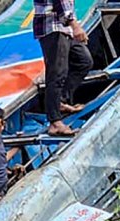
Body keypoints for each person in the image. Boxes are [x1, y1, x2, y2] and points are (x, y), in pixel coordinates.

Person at [33, 0, 93, 136]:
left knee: (83, 61)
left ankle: (60, 101)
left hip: (64, 29)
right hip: (53, 27)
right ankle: (55, 122)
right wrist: (75, 25)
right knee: (57, 74)